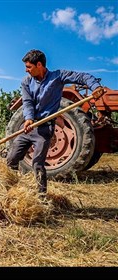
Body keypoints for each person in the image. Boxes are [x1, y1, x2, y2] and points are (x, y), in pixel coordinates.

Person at [6, 49, 104, 196]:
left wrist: (95, 87)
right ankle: (10, 190)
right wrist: (28, 118)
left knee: (38, 163)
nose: (26, 70)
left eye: (29, 67)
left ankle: (41, 196)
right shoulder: (26, 82)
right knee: (11, 159)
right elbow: (27, 102)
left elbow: (82, 77)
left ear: (39, 65)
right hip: (29, 127)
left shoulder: (57, 77)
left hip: (44, 129)